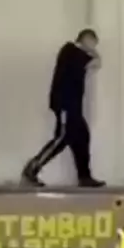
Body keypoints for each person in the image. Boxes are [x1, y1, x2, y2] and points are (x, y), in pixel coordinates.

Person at [22, 28, 105, 188]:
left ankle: (84, 177)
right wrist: (94, 53)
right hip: (66, 104)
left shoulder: (75, 53)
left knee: (82, 136)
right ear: (86, 39)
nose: (93, 47)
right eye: (93, 43)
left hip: (74, 106)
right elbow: (96, 62)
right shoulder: (71, 51)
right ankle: (31, 169)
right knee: (62, 137)